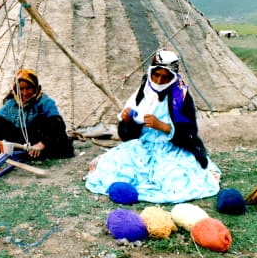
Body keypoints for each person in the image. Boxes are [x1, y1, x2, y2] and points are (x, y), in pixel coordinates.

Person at [85, 49, 221, 203]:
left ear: (172, 77)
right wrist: (127, 122)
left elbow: (190, 133)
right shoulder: (143, 92)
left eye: (165, 77)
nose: (158, 80)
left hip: (171, 150)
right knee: (116, 170)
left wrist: (163, 126)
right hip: (142, 147)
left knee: (175, 180)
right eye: (156, 75)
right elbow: (127, 136)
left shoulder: (181, 97)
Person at [0, 68, 74, 160]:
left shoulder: (45, 102)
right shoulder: (11, 104)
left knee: (45, 123)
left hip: (40, 141)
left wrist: (42, 144)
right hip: (21, 141)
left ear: (35, 87)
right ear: (16, 90)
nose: (24, 93)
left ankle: (34, 152)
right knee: (0, 124)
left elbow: (58, 126)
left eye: (28, 88)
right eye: (21, 89)